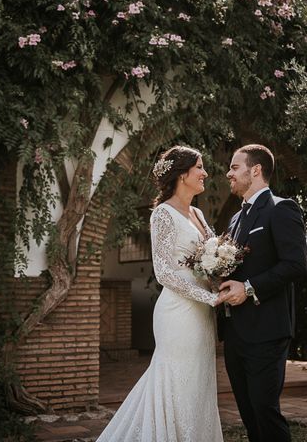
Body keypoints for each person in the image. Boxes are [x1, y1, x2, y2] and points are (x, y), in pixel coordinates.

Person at [96, 145, 224, 442]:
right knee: (175, 382)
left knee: (198, 383)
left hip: (203, 313)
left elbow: (208, 262)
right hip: (178, 313)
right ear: (182, 175)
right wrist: (209, 297)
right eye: (200, 168)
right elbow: (164, 272)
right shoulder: (163, 215)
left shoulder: (198, 213)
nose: (205, 173)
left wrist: (219, 286)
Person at [218, 144, 307, 442]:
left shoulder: (282, 209)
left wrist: (249, 288)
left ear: (255, 170)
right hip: (235, 333)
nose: (228, 173)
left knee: (265, 412)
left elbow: (295, 265)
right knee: (248, 414)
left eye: (234, 167)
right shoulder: (234, 219)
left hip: (267, 331)